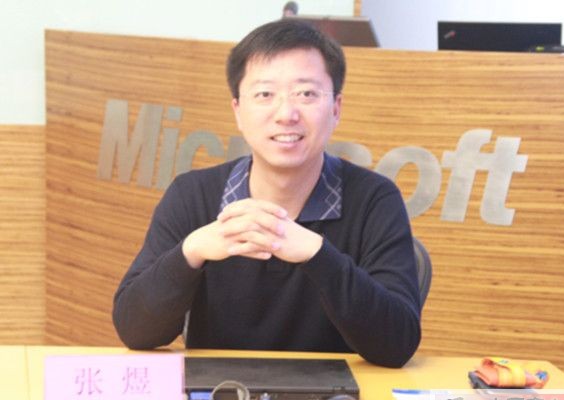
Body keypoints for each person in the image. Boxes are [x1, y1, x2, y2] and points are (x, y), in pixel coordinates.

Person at [113, 19, 421, 368]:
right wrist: (192, 252)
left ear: (336, 108)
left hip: (340, 398)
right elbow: (134, 330)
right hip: (217, 396)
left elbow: (397, 344)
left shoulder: (375, 199)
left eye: (306, 94)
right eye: (264, 95)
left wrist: (316, 254)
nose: (286, 114)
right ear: (238, 111)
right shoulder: (192, 195)